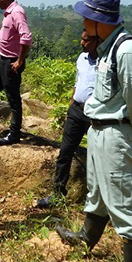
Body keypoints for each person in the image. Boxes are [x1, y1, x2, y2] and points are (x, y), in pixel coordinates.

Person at [56, 0, 132, 262]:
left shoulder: (126, 51)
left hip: (116, 132)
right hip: (98, 130)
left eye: (87, 18)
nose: (83, 24)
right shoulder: (107, 49)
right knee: (97, 190)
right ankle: (87, 237)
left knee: (122, 197)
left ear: (100, 22)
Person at [36, 31, 97, 209]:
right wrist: (70, 108)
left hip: (95, 116)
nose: (81, 43)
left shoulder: (106, 62)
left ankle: (95, 201)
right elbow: (77, 84)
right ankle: (57, 194)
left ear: (96, 41)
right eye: (82, 39)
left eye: (86, 40)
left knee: (97, 156)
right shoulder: (82, 59)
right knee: (65, 153)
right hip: (76, 111)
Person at [0, 0, 32, 146]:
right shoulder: (9, 13)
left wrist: (19, 61)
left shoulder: (17, 12)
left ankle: (14, 133)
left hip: (11, 61)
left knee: (13, 99)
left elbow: (26, 37)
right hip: (2, 59)